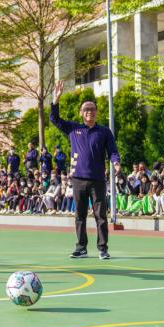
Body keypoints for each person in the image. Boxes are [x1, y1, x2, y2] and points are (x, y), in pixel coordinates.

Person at [50, 80, 120, 260]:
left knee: (100, 216)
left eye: (92, 109)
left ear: (96, 112)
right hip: (78, 179)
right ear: (81, 113)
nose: (89, 111)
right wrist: (56, 100)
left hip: (97, 179)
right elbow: (54, 119)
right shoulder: (74, 129)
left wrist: (116, 162)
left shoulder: (104, 132)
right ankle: (81, 247)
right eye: (86, 109)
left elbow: (112, 150)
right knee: (80, 215)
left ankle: (103, 248)